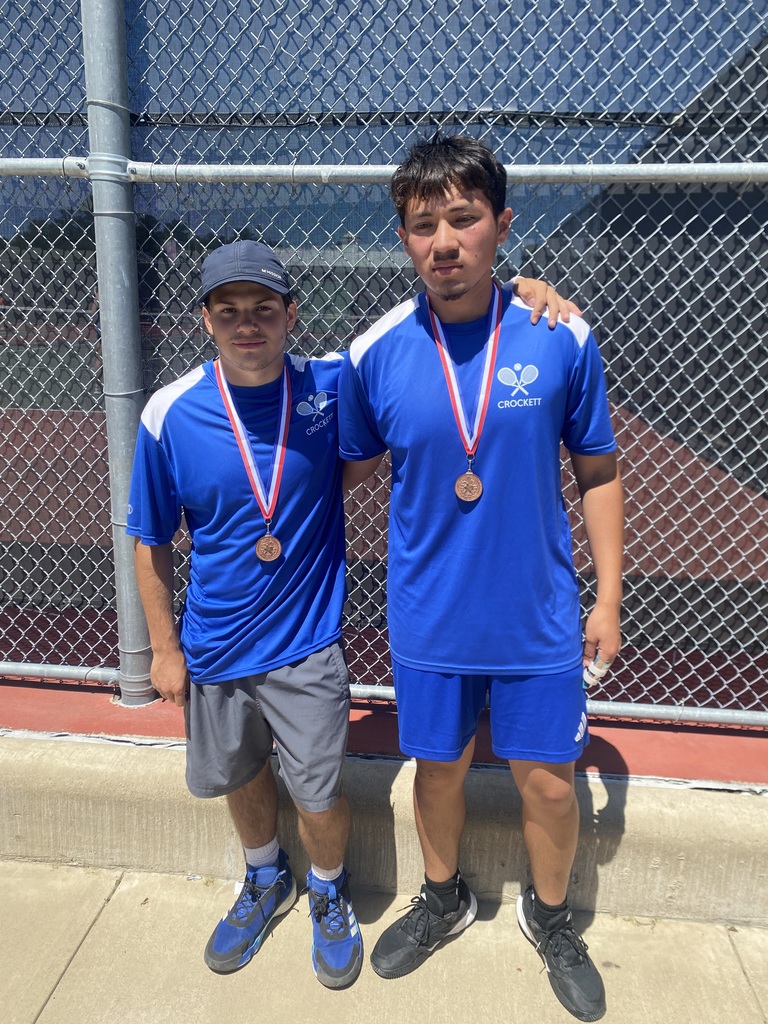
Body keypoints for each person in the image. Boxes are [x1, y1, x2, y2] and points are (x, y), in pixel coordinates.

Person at [126, 238, 572, 988]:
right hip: (214, 642)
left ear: (291, 315)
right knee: (241, 775)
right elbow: (149, 539)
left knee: (319, 787)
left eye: (264, 310)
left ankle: (327, 890)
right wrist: (163, 649)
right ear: (205, 320)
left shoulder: (333, 384)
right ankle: (265, 877)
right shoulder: (168, 412)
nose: (247, 325)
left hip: (306, 642)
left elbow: (425, 325)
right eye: (228, 311)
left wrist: (526, 285)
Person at [338, 133, 623, 1022]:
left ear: (502, 224)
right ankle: (444, 895)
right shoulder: (375, 351)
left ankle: (550, 916)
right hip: (430, 618)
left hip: (537, 616)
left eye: (463, 218)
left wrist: (609, 596)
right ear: (403, 238)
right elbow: (330, 462)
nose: (444, 241)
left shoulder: (558, 331)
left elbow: (600, 470)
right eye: (423, 224)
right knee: (439, 772)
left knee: (546, 780)